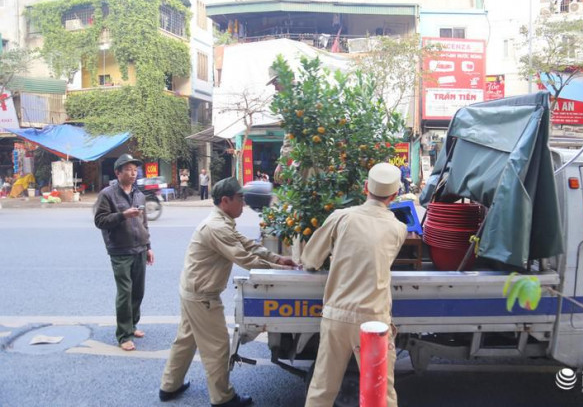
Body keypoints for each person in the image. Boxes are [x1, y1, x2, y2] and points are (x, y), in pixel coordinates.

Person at [159, 177, 296, 407]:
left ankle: (169, 385)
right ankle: (222, 398)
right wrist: (281, 270)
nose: (243, 204)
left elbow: (246, 243)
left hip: (192, 290)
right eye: (240, 199)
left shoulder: (222, 222)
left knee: (185, 340)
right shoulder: (217, 227)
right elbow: (244, 257)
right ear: (225, 201)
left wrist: (277, 258)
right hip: (202, 295)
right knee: (217, 347)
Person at [301, 163, 408, 407]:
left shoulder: (341, 217)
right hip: (374, 320)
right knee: (380, 394)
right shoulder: (398, 228)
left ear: (365, 187)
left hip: (336, 315)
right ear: (393, 196)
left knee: (322, 389)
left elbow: (310, 259)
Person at [94, 154, 155, 352]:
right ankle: (123, 335)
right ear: (117, 173)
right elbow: (100, 221)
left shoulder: (139, 194)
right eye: (128, 169)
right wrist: (122, 215)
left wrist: (148, 247)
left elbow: (143, 223)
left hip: (139, 249)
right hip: (120, 251)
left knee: (138, 291)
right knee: (125, 293)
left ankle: (132, 325)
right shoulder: (107, 194)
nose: (133, 173)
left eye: (135, 169)